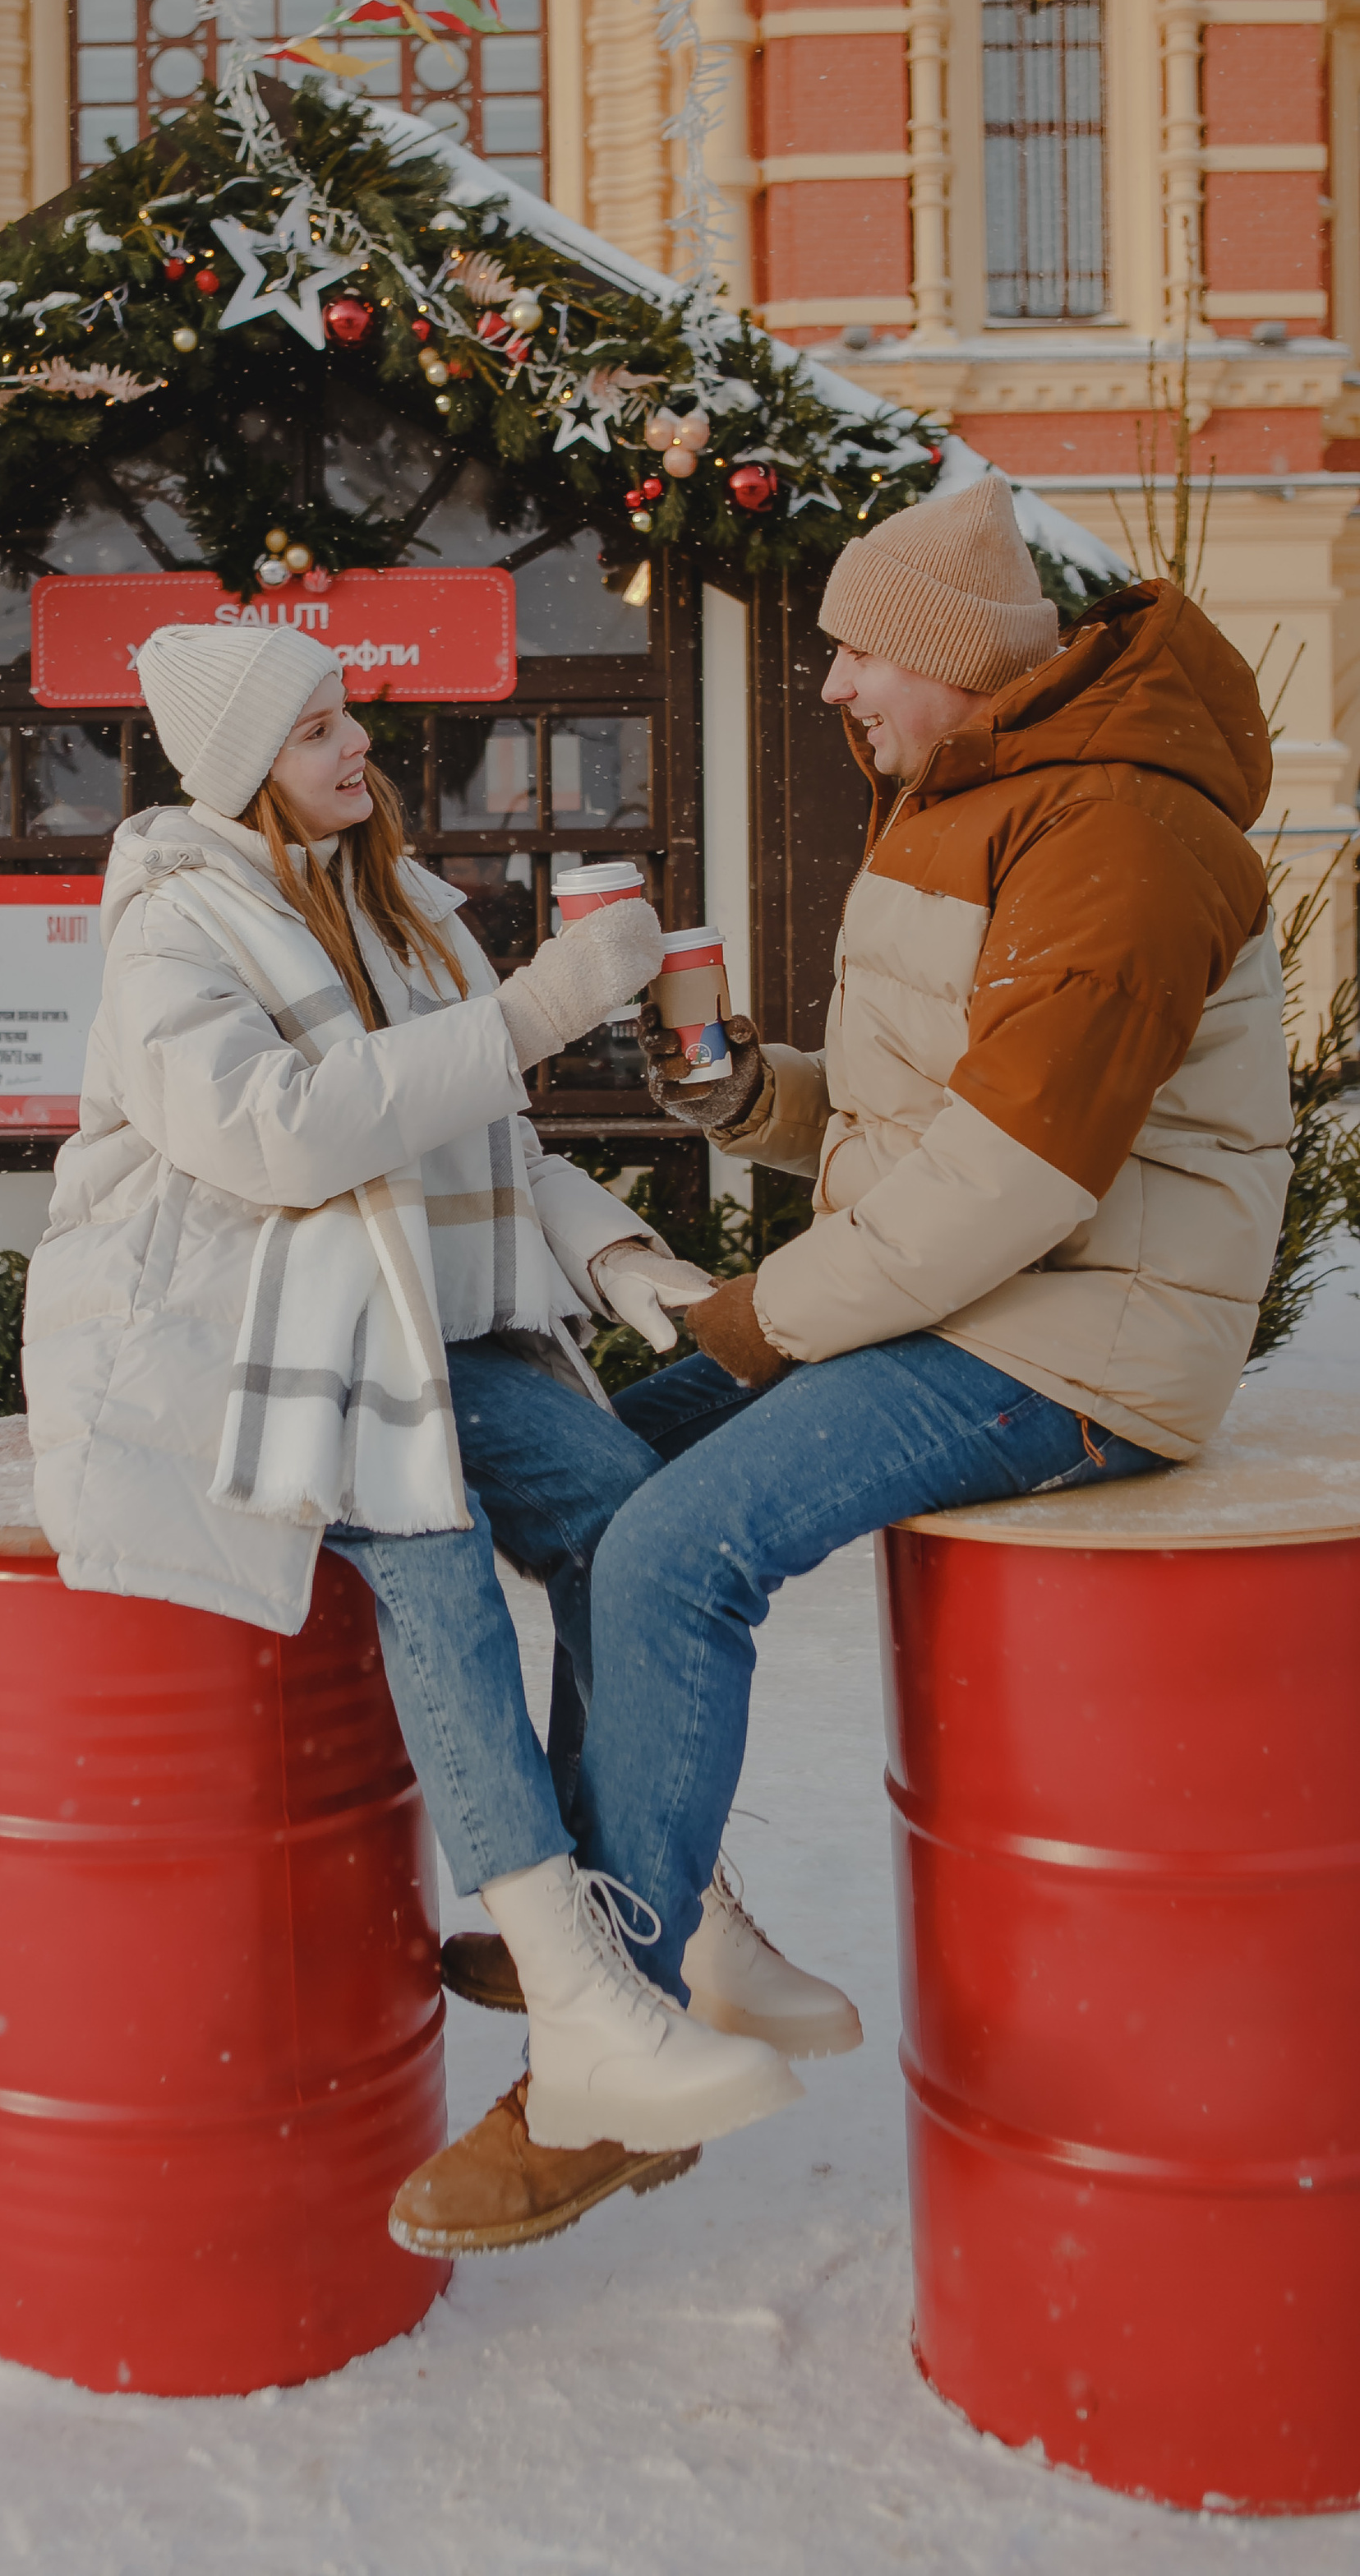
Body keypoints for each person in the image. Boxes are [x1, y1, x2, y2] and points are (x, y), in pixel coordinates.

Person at [397, 471, 1293, 2249]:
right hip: (981, 1288)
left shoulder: (1115, 830)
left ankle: (610, 2056)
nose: (829, 689)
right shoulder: (973, 791)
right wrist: (755, 1096)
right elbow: (929, 1125)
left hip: (1077, 1340)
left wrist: (754, 1314)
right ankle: (631, 1906)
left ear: (957, 662)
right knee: (601, 1470)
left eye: (858, 653)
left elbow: (1018, 1182)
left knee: (670, 1548)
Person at [24, 618, 835, 2208]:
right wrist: (537, 1011)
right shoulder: (174, 937)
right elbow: (281, 1140)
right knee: (436, 1566)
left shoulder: (403, 913)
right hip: (255, 1345)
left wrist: (630, 1267)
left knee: (630, 1530)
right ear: (244, 766)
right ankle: (586, 1995)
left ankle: (675, 1916)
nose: (354, 745)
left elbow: (497, 1157)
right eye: (316, 726)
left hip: (438, 1332)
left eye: (348, 714)